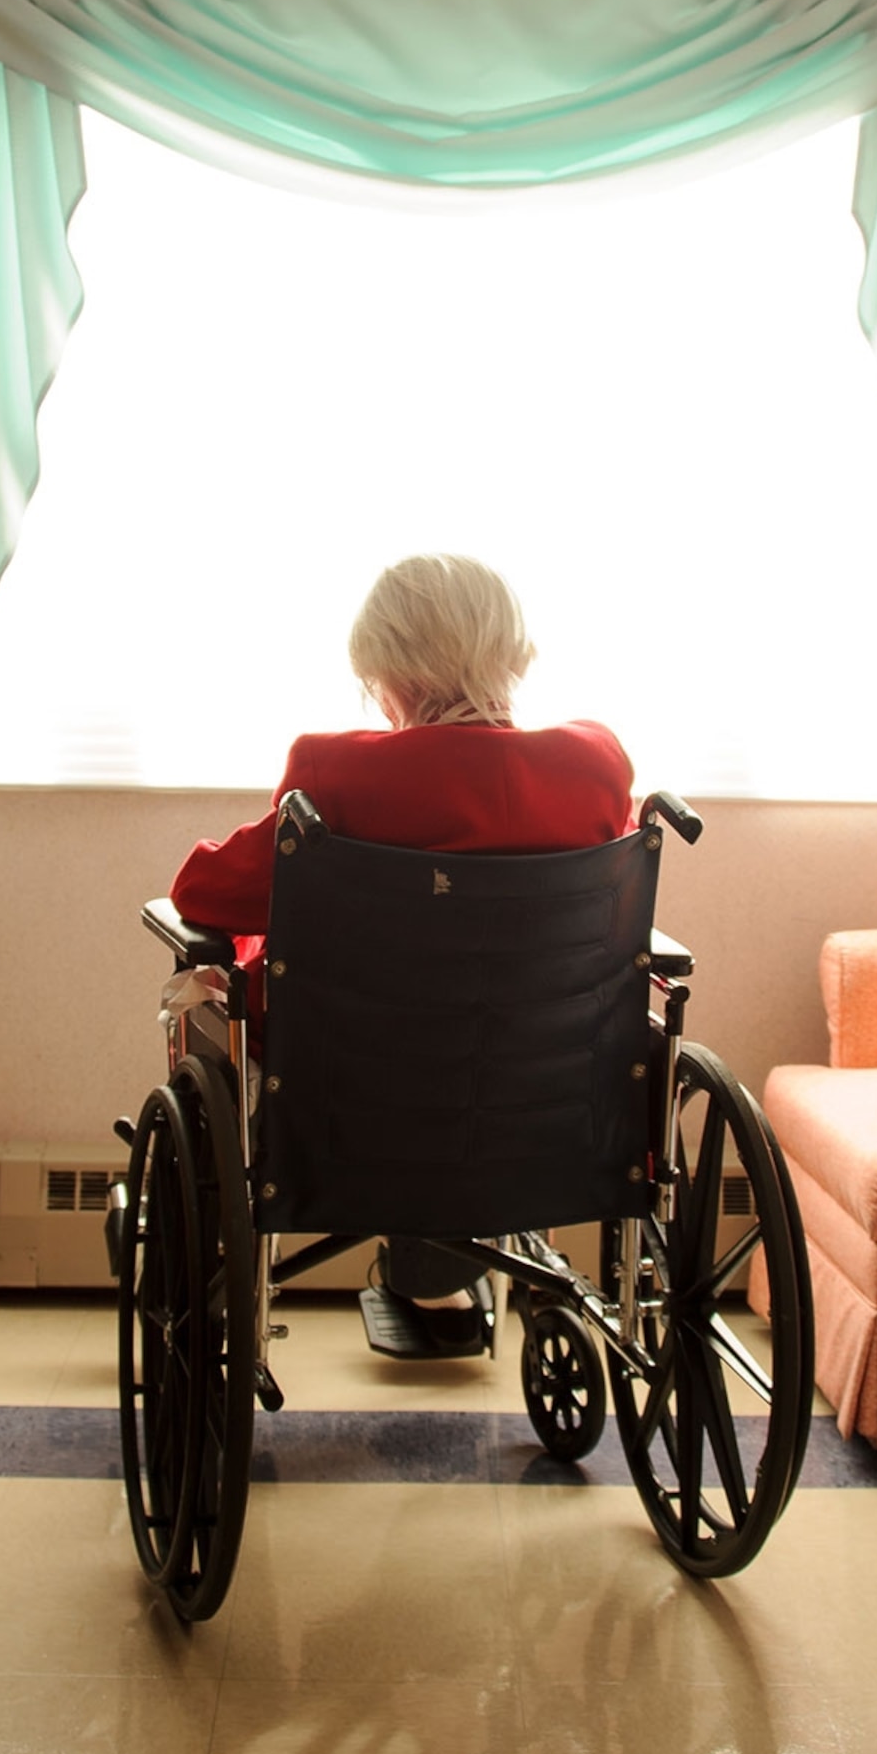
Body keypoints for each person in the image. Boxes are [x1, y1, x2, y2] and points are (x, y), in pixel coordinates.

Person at [170, 554, 634, 1360]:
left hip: (358, 1095)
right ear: (509, 652)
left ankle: (381, 1265)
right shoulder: (594, 766)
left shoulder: (333, 773)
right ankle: (449, 1267)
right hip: (546, 1091)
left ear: (390, 674)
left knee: (232, 985)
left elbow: (203, 892)